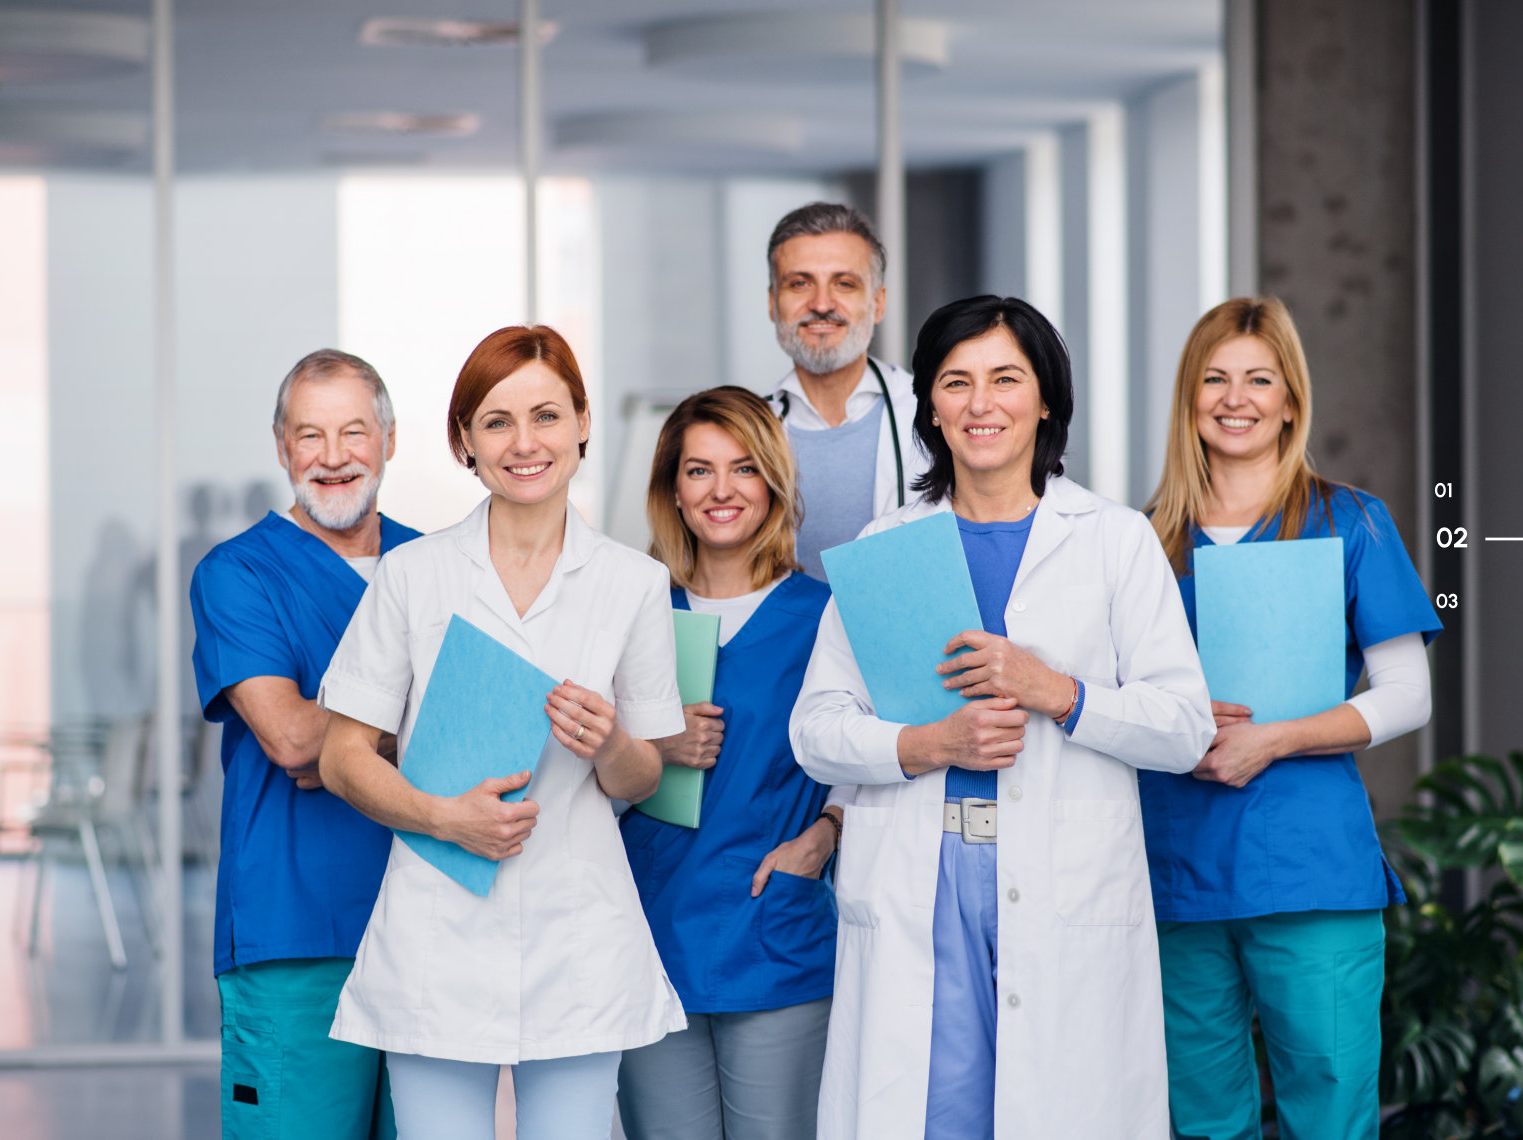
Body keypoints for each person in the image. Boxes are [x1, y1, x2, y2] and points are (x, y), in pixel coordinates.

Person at [789, 295, 1215, 1139]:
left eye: (1005, 380)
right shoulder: (888, 545)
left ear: (1046, 399)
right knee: (934, 1112)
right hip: (923, 871)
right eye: (956, 383)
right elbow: (817, 727)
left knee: (1054, 1107)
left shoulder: (1114, 539)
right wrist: (925, 743)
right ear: (933, 410)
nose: (981, 404)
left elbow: (1184, 725)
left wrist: (1057, 691)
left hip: (1064, 875)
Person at [315, 325, 687, 1140]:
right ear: (464, 443)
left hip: (579, 933)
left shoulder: (634, 583)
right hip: (438, 930)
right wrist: (444, 818)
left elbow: (644, 779)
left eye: (547, 416)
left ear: (584, 423)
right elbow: (341, 758)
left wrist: (612, 744)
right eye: (496, 421)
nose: (525, 443)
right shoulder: (414, 576)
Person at [1139, 297, 1441, 1140]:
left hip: (1310, 872)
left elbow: (1407, 693)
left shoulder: (1350, 521)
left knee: (1332, 1118)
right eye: (1215, 379)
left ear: (1290, 400)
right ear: (1189, 399)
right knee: (1202, 1121)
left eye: (1259, 379)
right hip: (1176, 875)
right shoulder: (1140, 543)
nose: (1236, 399)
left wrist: (1276, 737)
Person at [189, 348, 420, 1140]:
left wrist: (346, 743)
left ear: (390, 440)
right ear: (282, 447)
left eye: (353, 432)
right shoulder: (238, 574)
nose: (332, 457)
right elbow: (290, 739)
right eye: (309, 435)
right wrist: (416, 722)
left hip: (428, 928)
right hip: (296, 938)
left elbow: (491, 728)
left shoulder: (436, 566)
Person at [616, 386, 840, 1140]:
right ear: (672, 491)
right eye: (699, 470)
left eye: (743, 469)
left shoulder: (825, 616)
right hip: (651, 931)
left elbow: (871, 756)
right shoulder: (633, 614)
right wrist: (651, 745)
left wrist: (826, 835)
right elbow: (571, 769)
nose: (721, 491)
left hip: (774, 933)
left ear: (773, 485)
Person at [763, 202, 930, 582]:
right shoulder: (747, 430)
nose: (822, 304)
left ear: (878, 303)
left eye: (845, 284)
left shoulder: (934, 415)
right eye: (799, 283)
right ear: (773, 302)